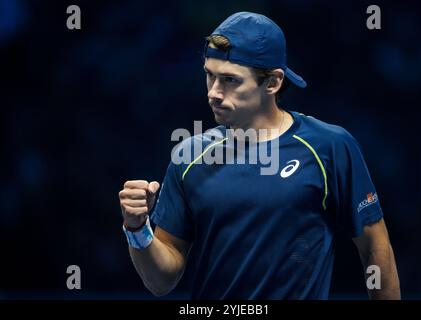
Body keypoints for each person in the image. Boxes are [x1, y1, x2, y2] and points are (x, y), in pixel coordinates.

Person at [118, 12, 400, 299]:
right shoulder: (188, 157)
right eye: (209, 75)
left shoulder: (331, 147)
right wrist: (138, 228)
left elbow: (375, 249)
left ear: (272, 83)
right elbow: (160, 282)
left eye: (229, 80)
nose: (214, 93)